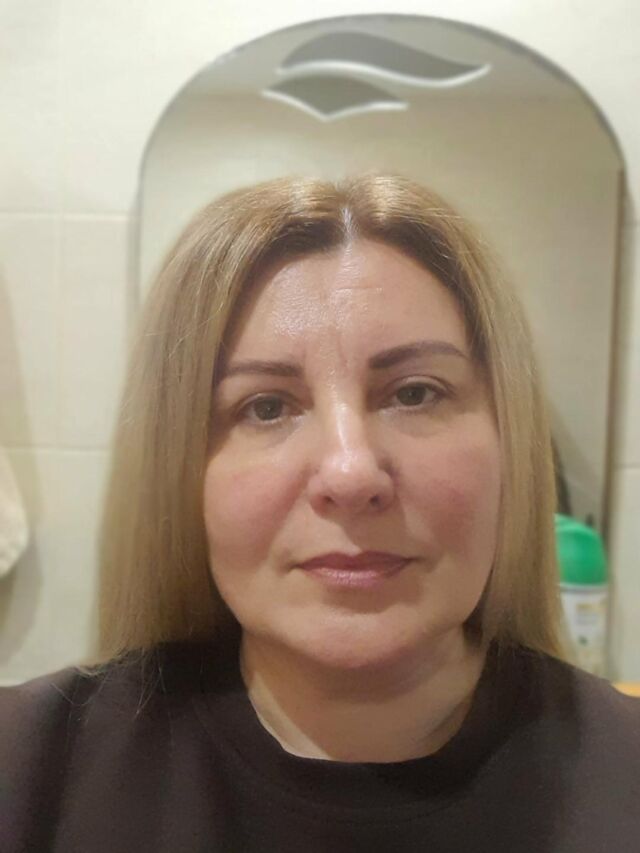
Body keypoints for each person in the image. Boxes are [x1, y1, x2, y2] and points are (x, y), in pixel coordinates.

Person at [1, 174, 638, 852]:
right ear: (179, 468)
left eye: (415, 393)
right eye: (266, 406)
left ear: (511, 441)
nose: (350, 471)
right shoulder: (25, 771)